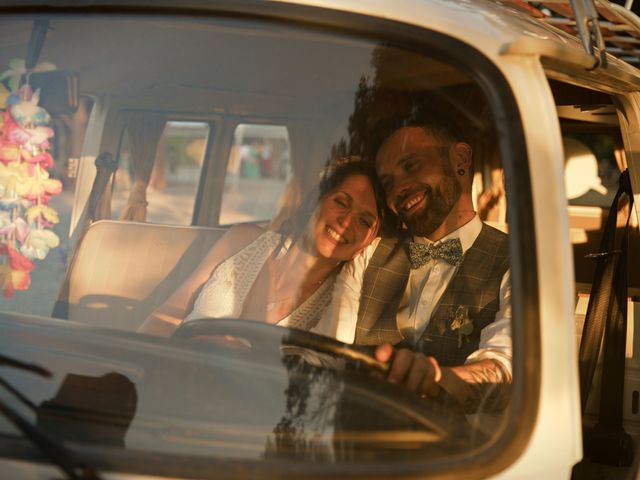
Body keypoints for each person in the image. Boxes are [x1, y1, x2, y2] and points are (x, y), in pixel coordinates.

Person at [320, 113, 511, 412]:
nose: (399, 188)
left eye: (411, 165)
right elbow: (329, 353)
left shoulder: (516, 263)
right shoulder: (371, 252)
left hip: (456, 451)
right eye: (388, 182)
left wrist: (438, 379)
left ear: (460, 160)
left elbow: (503, 368)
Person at [139, 157, 386, 337]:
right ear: (316, 201)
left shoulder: (337, 308)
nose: (346, 222)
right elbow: (165, 317)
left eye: (364, 221)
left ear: (366, 245)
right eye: (341, 202)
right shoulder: (244, 240)